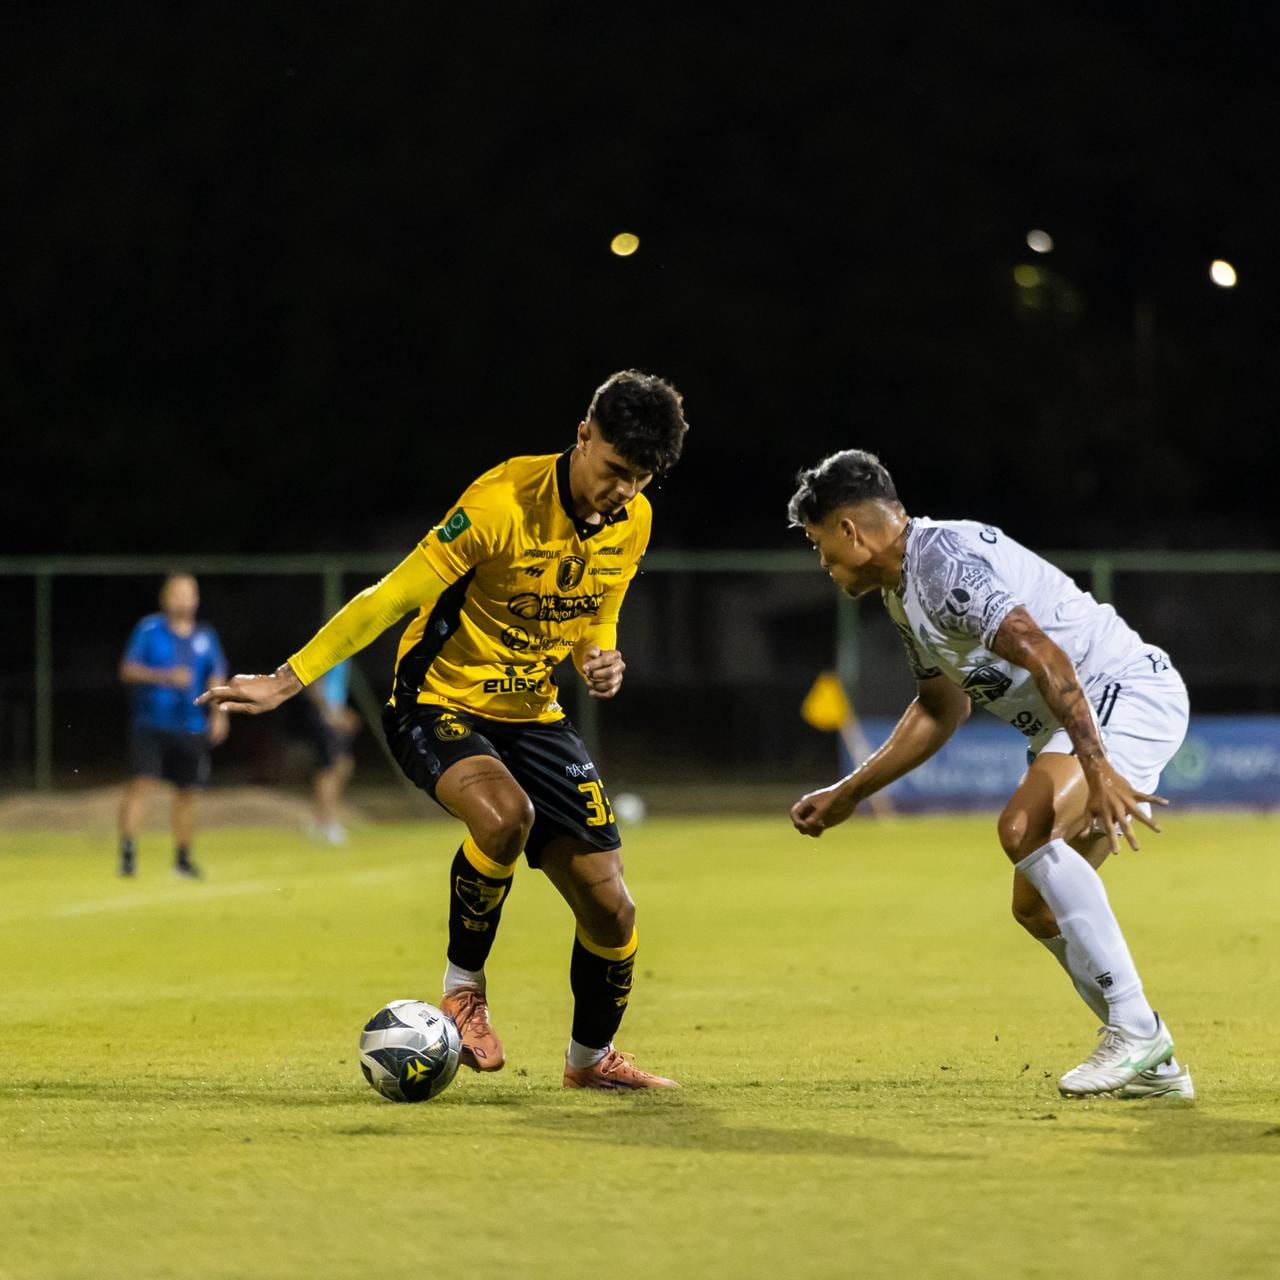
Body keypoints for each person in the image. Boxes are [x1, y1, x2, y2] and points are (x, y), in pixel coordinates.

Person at [199, 370, 688, 1090]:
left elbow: (596, 608)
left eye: (640, 479)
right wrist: (286, 679)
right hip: (436, 701)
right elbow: (390, 596)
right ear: (583, 435)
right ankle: (463, 991)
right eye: (615, 469)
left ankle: (590, 1062)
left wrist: (599, 655)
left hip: (534, 714)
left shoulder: (633, 520)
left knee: (612, 908)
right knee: (505, 816)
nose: (624, 489)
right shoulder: (500, 503)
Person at [787, 450, 1192, 1100]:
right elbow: (939, 708)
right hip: (1080, 717)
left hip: (1121, 690)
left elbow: (1046, 654)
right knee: (1035, 906)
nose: (822, 563)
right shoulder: (903, 594)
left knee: (1022, 829)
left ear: (849, 530)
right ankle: (1157, 1066)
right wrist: (849, 793)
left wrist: (1097, 766)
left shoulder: (940, 566)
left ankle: (1136, 1030)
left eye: (818, 544)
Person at [118, 574, 229, 878]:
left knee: (188, 791)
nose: (184, 599)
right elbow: (128, 670)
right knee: (143, 783)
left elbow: (216, 675)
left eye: (189, 593)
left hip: (191, 725)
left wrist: (219, 714)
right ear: (165, 598)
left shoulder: (206, 636)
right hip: (151, 722)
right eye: (177, 593)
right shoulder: (149, 629)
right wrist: (165, 676)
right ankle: (128, 853)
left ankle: (183, 859)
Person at [290, 660, 360, 845]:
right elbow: (313, 682)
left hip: (334, 711)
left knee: (344, 765)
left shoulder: (346, 653)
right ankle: (328, 822)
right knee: (329, 768)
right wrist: (329, 712)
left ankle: (318, 819)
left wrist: (343, 712)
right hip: (324, 714)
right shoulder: (331, 647)